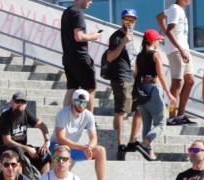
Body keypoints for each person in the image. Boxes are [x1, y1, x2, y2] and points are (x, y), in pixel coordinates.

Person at [52, 89, 115, 180]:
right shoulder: (63, 114)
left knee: (100, 150)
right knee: (65, 152)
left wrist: (89, 147)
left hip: (74, 148)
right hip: (57, 146)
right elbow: (60, 139)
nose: (81, 105)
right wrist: (82, 148)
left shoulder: (88, 115)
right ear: (73, 101)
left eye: (84, 103)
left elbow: (94, 138)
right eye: (78, 102)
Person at [129, 29, 175, 163]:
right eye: (158, 40)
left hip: (141, 90)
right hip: (153, 89)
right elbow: (161, 75)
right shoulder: (155, 55)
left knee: (147, 124)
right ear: (152, 41)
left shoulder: (139, 56)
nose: (159, 42)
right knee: (161, 123)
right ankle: (144, 144)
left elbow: (135, 74)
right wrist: (169, 93)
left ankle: (149, 153)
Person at [103, 8, 139, 161]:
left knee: (137, 109)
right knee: (121, 110)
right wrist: (124, 42)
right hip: (120, 78)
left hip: (131, 77)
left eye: (132, 20)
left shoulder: (133, 37)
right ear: (122, 20)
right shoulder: (117, 37)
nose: (129, 22)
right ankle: (119, 143)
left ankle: (130, 140)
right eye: (127, 19)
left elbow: (132, 59)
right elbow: (110, 57)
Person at [0, 92, 51, 177]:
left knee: (44, 154)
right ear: (12, 103)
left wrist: (47, 141)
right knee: (17, 157)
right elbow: (7, 141)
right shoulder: (5, 117)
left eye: (23, 102)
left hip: (22, 147)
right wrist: (27, 148)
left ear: (26, 104)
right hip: (6, 148)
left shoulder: (25, 113)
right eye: (17, 102)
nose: (20, 104)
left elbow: (41, 125)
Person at [155, 0, 193, 125]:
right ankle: (171, 116)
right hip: (177, 50)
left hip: (184, 49)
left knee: (189, 80)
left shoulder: (175, 9)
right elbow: (169, 31)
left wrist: (183, 49)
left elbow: (159, 17)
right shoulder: (176, 9)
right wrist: (180, 49)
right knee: (177, 83)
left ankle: (180, 115)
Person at [60, 0, 101, 111]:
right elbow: (79, 36)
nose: (91, 2)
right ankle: (89, 122)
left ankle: (65, 119)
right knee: (90, 88)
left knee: (72, 89)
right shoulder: (78, 13)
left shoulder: (67, 11)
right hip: (80, 57)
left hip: (68, 57)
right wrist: (94, 36)